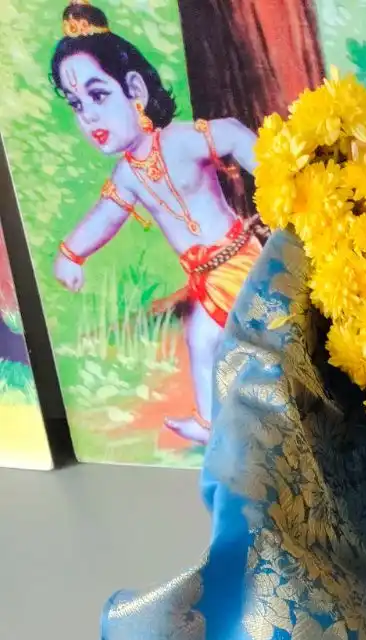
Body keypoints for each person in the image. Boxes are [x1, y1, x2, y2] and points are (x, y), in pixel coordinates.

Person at [50, 3, 260, 445]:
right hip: (204, 276)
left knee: (240, 339)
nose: (88, 116)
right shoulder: (127, 175)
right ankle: (213, 423)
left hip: (239, 262)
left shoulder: (179, 140)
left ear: (134, 89)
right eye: (76, 104)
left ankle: (250, 419)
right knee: (202, 339)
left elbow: (233, 133)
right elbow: (105, 216)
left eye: (98, 96)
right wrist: (72, 252)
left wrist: (277, 175)